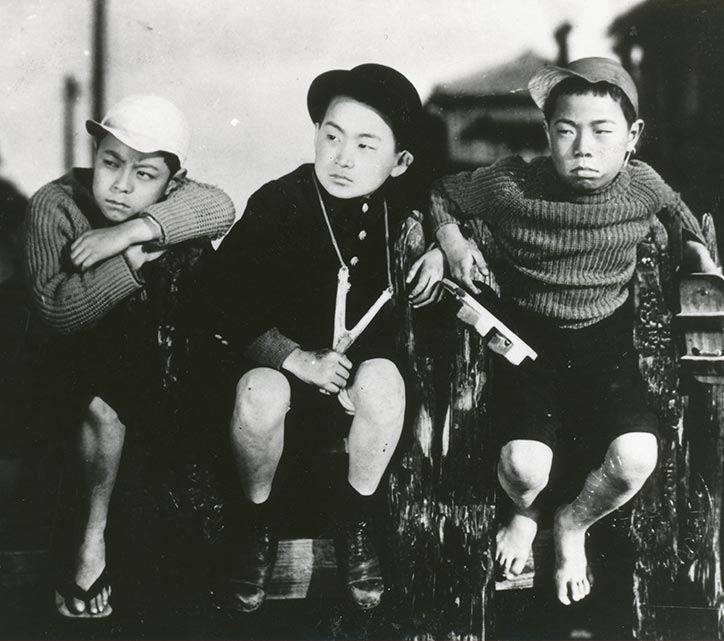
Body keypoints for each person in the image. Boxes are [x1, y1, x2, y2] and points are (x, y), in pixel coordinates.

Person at [408, 57, 719, 606]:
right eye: (566, 130)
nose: (583, 148)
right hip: (531, 352)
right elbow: (442, 193)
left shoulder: (641, 187)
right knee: (523, 468)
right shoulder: (514, 185)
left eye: (602, 132)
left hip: (606, 353)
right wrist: (450, 243)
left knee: (636, 457)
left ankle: (573, 523)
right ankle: (526, 512)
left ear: (632, 137)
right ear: (547, 133)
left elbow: (678, 213)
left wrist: (697, 254)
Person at [196, 63, 439, 612]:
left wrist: (444, 242)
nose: (343, 158)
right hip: (279, 376)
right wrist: (292, 357)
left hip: (354, 381)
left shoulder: (399, 205)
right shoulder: (279, 202)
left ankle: (357, 519)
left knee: (386, 383)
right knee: (259, 392)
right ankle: (255, 524)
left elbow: (450, 196)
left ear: (399, 162)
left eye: (366, 145)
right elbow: (220, 300)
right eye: (332, 137)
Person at [23, 94, 235, 618]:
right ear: (94, 155)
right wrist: (131, 261)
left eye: (144, 174)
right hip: (70, 379)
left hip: (150, 379)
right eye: (111, 163)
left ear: (172, 183)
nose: (120, 186)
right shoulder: (54, 204)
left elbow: (221, 207)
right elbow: (57, 310)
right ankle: (89, 541)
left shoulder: (169, 208)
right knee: (101, 402)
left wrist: (128, 233)